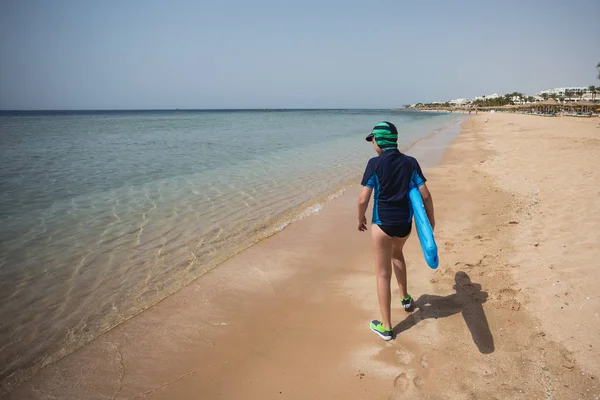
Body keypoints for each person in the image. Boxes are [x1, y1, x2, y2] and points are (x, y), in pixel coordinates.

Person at [357, 121, 435, 341]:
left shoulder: (374, 164)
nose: (372, 143)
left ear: (380, 140)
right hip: (404, 224)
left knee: (382, 274)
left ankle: (387, 327)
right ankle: (405, 299)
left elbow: (363, 198)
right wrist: (430, 223)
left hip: (382, 224)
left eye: (373, 139)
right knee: (397, 254)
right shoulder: (410, 162)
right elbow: (426, 196)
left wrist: (360, 217)